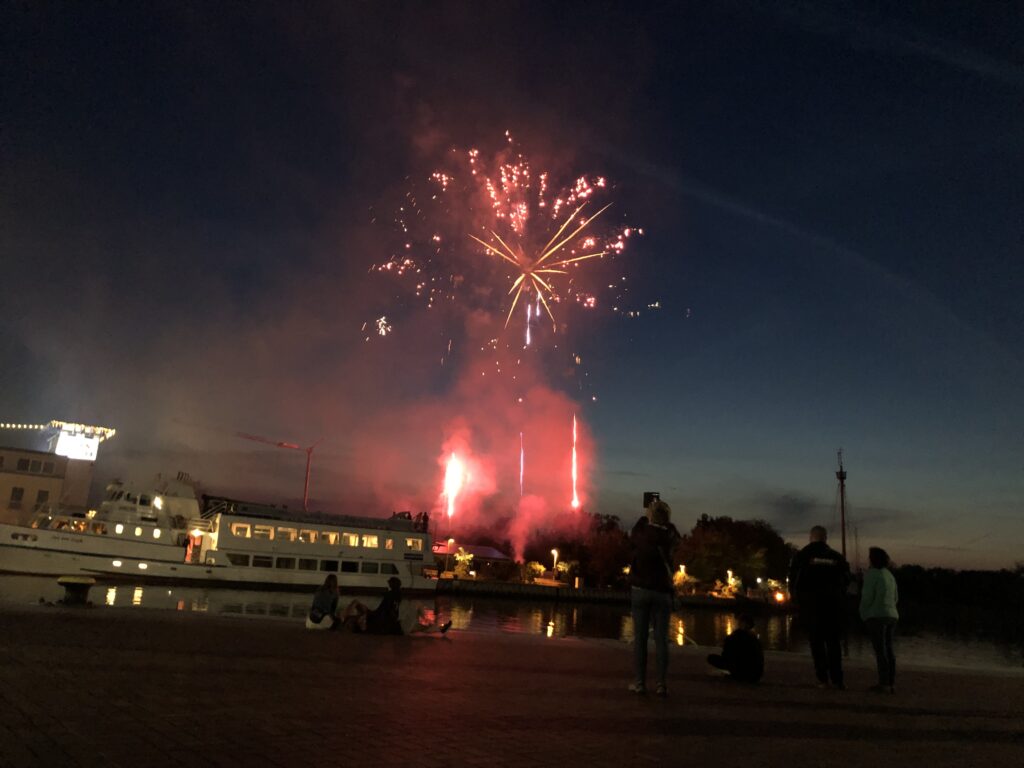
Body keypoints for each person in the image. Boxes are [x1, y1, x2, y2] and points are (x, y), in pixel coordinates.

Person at [628, 499, 681, 696]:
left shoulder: (642, 533)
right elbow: (674, 538)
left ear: (650, 515)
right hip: (662, 592)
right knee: (661, 640)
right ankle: (661, 684)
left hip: (640, 590)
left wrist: (645, 518)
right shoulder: (670, 536)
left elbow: (633, 537)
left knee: (640, 639)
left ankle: (639, 683)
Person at [788, 525, 851, 689]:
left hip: (811, 608)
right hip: (833, 607)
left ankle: (823, 679)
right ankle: (837, 679)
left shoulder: (801, 556)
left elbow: (793, 580)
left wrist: (797, 601)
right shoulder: (837, 557)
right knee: (833, 644)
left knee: (816, 644)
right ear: (825, 538)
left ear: (811, 537)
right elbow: (846, 580)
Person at [860, 546, 898, 694]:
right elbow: (896, 597)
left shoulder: (872, 575)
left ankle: (883, 683)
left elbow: (867, 597)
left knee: (880, 650)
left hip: (877, 616)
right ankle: (891, 682)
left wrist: (863, 614)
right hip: (892, 615)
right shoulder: (889, 575)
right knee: (889, 649)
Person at [707, 614, 764, 683]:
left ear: (742, 623)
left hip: (743, 672)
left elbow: (727, 655)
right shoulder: (754, 638)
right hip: (756, 675)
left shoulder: (736, 636)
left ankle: (737, 674)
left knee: (711, 658)